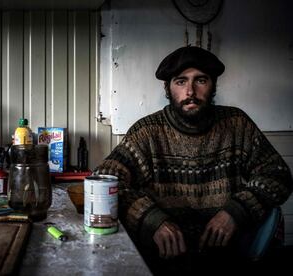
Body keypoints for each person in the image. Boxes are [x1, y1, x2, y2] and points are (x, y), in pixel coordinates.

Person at [94, 46, 293, 273]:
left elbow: (277, 173)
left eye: (200, 80)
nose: (190, 91)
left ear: (213, 86)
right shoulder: (147, 133)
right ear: (167, 88)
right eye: (180, 81)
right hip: (165, 259)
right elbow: (105, 180)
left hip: (229, 256)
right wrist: (152, 220)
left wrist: (235, 213)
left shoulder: (237, 125)